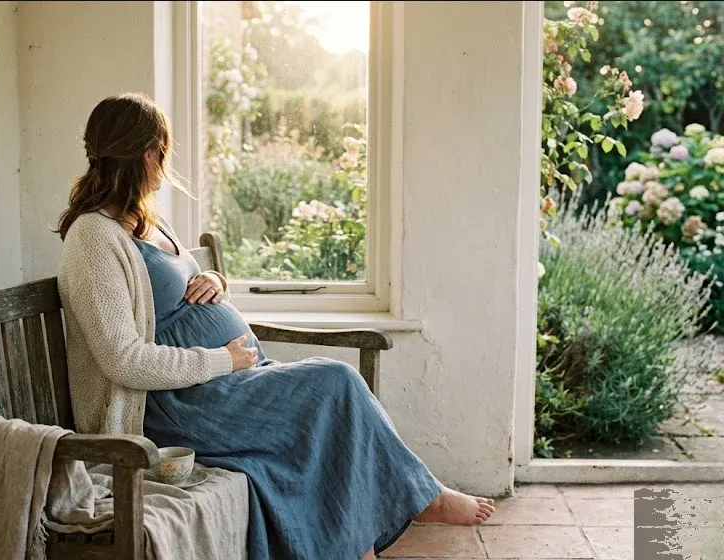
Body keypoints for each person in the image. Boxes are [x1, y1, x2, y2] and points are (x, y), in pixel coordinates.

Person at [56, 92, 495, 560]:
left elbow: (176, 288)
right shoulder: (93, 237)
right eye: (161, 151)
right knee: (335, 382)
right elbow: (123, 361)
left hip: (221, 384)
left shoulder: (145, 220)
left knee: (329, 410)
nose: (164, 163)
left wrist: (214, 280)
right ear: (147, 153)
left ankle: (361, 547)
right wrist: (223, 359)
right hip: (176, 406)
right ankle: (422, 497)